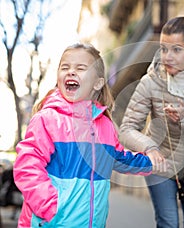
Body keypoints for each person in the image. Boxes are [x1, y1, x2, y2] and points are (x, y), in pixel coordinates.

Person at [13, 43, 165, 228]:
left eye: (80, 68)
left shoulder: (105, 125)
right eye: (65, 67)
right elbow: (27, 165)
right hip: (51, 222)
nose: (70, 72)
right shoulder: (48, 119)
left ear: (98, 83)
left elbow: (118, 157)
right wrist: (51, 207)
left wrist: (151, 162)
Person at [119, 16, 184, 228]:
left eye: (177, 50)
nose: (168, 57)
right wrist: (148, 148)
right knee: (168, 223)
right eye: (164, 49)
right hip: (160, 165)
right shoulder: (150, 82)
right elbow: (126, 129)